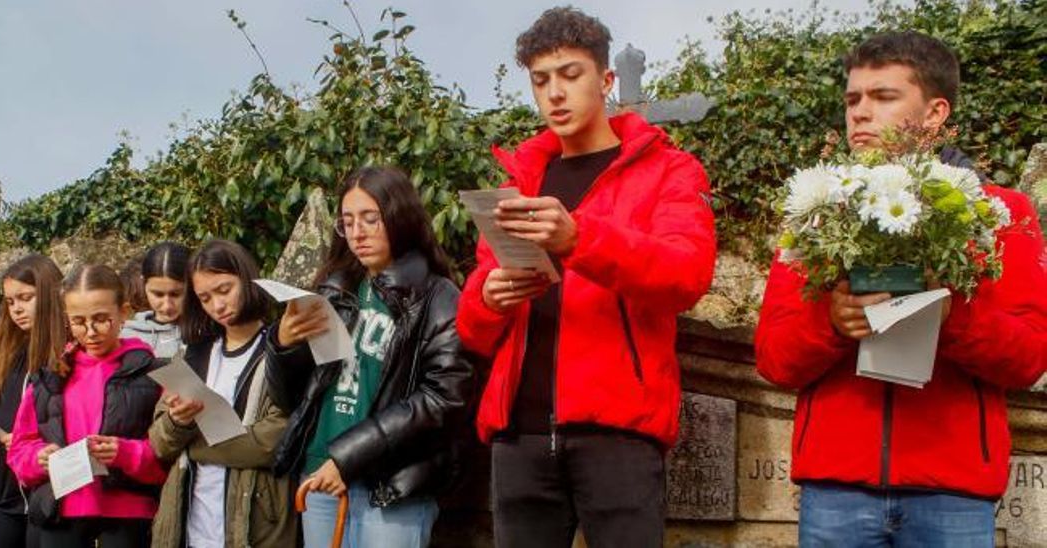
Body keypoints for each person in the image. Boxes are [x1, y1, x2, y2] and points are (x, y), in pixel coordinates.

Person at [755, 31, 1047, 547]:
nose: (860, 113)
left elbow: (1027, 358)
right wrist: (830, 323)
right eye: (852, 100)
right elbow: (774, 359)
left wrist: (951, 315)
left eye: (883, 96)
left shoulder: (1001, 215)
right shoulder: (814, 215)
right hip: (835, 489)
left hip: (952, 492)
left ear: (935, 113)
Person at [455, 7, 716, 548]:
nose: (555, 93)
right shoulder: (521, 181)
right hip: (518, 435)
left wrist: (580, 240)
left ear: (605, 79)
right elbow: (474, 333)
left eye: (570, 75)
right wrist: (487, 297)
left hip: (618, 433)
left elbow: (686, 275)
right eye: (541, 80)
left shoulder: (669, 170)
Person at [268, 166, 474, 548]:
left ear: (399, 217)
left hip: (390, 486)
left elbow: (444, 399)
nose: (358, 233)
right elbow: (289, 398)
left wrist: (347, 458)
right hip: (319, 476)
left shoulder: (438, 296)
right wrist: (283, 346)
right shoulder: (334, 290)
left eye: (370, 219)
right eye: (347, 222)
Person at [149, 239, 297, 548]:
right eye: (205, 298)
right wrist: (178, 422)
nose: (217, 306)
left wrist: (192, 446)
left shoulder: (278, 350)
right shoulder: (193, 356)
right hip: (188, 526)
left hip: (253, 525)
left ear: (246, 279)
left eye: (224, 290)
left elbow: (274, 441)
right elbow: (159, 443)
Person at [7, 263, 166, 548]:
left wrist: (126, 453)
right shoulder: (51, 375)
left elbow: (168, 452)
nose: (91, 331)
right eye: (79, 321)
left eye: (101, 319)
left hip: (128, 516)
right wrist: (39, 458)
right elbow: (20, 448)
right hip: (62, 511)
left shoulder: (152, 374)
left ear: (124, 313)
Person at [0, 254, 66, 548]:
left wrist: (31, 443)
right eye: (10, 301)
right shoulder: (6, 351)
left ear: (50, 295)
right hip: (1, 488)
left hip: (46, 491)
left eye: (26, 298)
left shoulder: (66, 353)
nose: (16, 309)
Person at [121, 242, 193, 361]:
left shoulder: (209, 332)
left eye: (176, 294)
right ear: (144, 284)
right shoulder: (127, 338)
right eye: (158, 295)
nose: (167, 306)